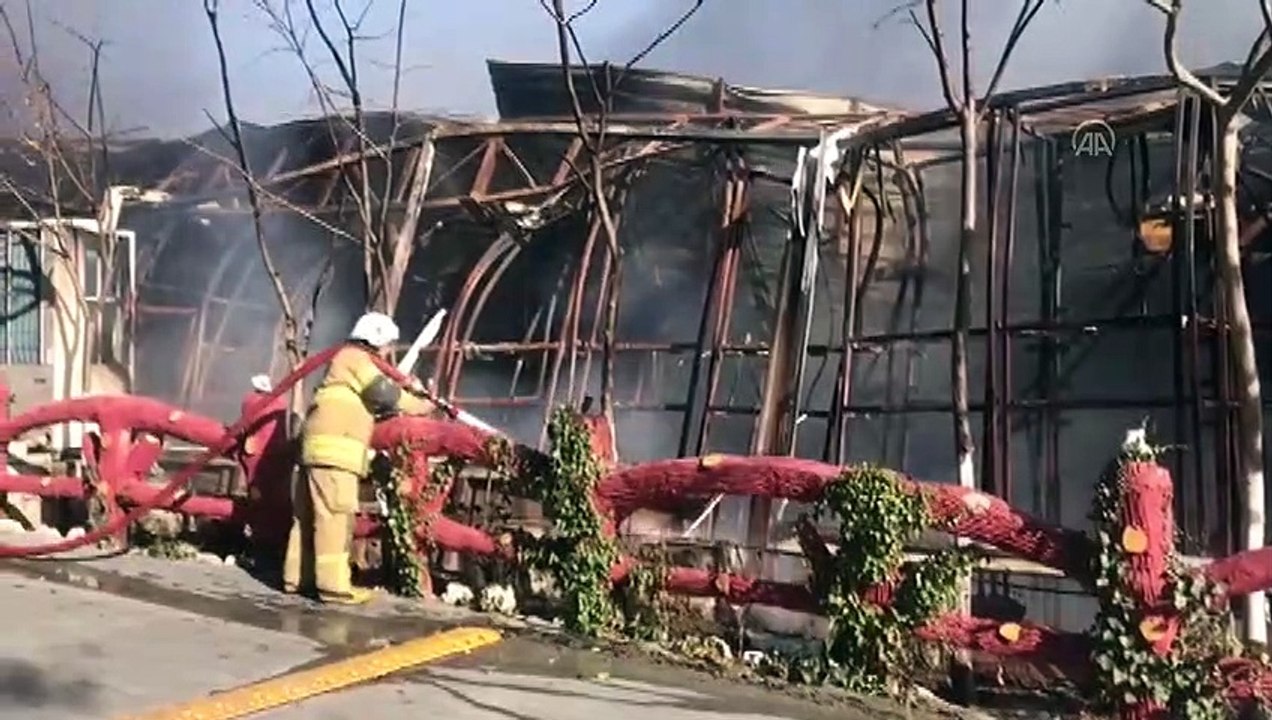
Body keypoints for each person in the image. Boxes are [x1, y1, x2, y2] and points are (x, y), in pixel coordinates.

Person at [283, 311, 436, 604]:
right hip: (335, 453)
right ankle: (334, 587)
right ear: (376, 339)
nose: (388, 352)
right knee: (335, 518)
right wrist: (421, 403)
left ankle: (297, 579)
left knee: (307, 518)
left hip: (317, 450)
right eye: (387, 345)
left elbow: (377, 401)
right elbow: (383, 394)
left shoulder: (344, 362)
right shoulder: (355, 358)